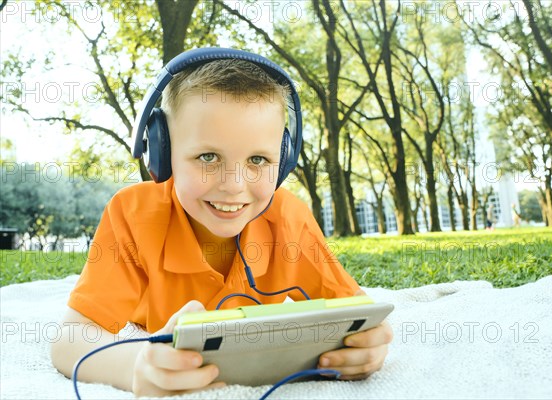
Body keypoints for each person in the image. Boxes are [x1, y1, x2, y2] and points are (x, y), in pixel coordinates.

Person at [50, 49, 392, 397]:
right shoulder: (133, 214)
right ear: (162, 154)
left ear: (284, 159)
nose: (233, 185)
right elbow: (70, 341)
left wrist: (368, 347)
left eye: (258, 159)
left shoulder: (289, 219)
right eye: (208, 157)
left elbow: (359, 316)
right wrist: (135, 366)